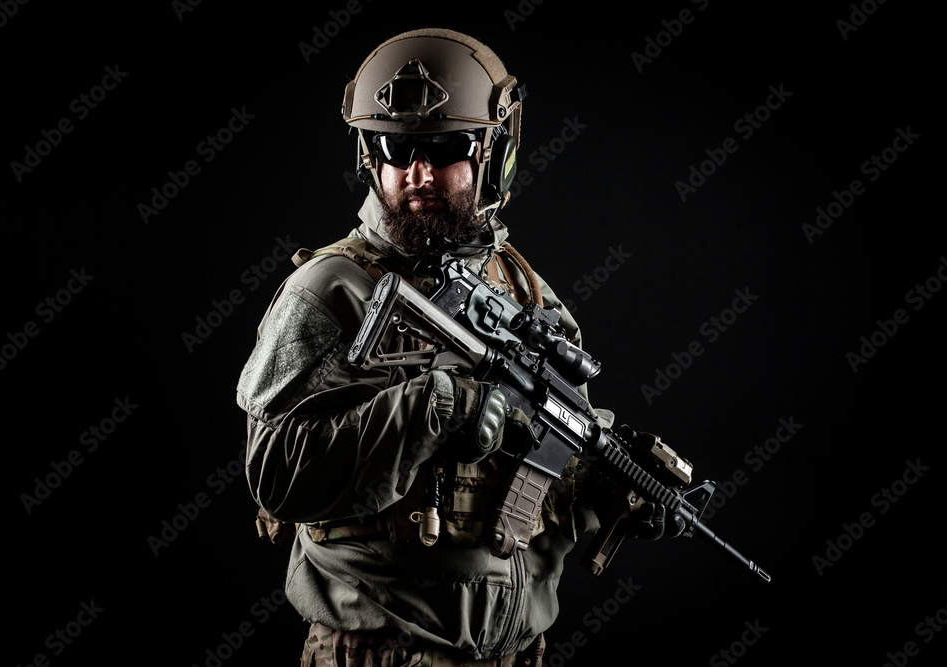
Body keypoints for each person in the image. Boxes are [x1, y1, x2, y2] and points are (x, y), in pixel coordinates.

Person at [236, 28, 675, 667]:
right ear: (369, 155)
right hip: (379, 654)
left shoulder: (525, 293)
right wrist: (433, 408)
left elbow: (539, 469)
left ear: (494, 154)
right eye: (395, 148)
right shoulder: (330, 290)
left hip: (516, 654)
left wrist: (609, 485)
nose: (416, 172)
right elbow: (275, 473)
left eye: (443, 149)